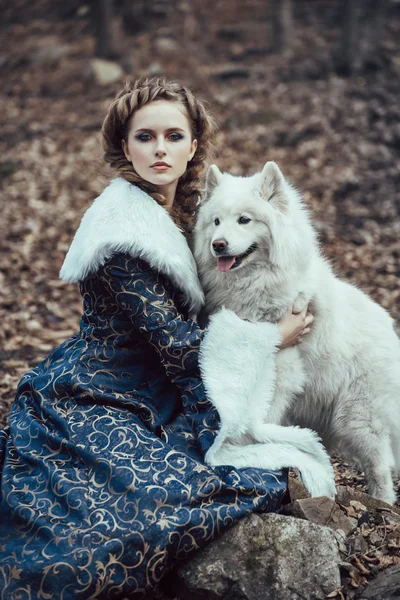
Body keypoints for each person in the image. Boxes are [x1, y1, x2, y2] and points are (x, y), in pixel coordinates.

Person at [0, 77, 313, 599]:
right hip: (102, 389)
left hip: (158, 381)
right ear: (125, 146)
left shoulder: (189, 211)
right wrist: (271, 337)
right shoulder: (122, 231)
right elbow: (178, 347)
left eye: (174, 136)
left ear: (194, 145)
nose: (160, 150)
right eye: (145, 137)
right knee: (133, 515)